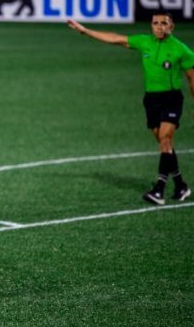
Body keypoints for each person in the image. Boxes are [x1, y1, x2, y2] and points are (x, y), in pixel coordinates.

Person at [67, 13, 193, 205]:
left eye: (164, 23)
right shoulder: (144, 42)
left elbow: (192, 78)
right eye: (155, 23)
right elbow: (116, 38)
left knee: (165, 138)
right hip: (151, 99)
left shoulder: (181, 50)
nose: (159, 27)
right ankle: (180, 185)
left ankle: (159, 189)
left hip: (171, 99)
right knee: (163, 143)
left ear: (172, 27)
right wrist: (85, 32)